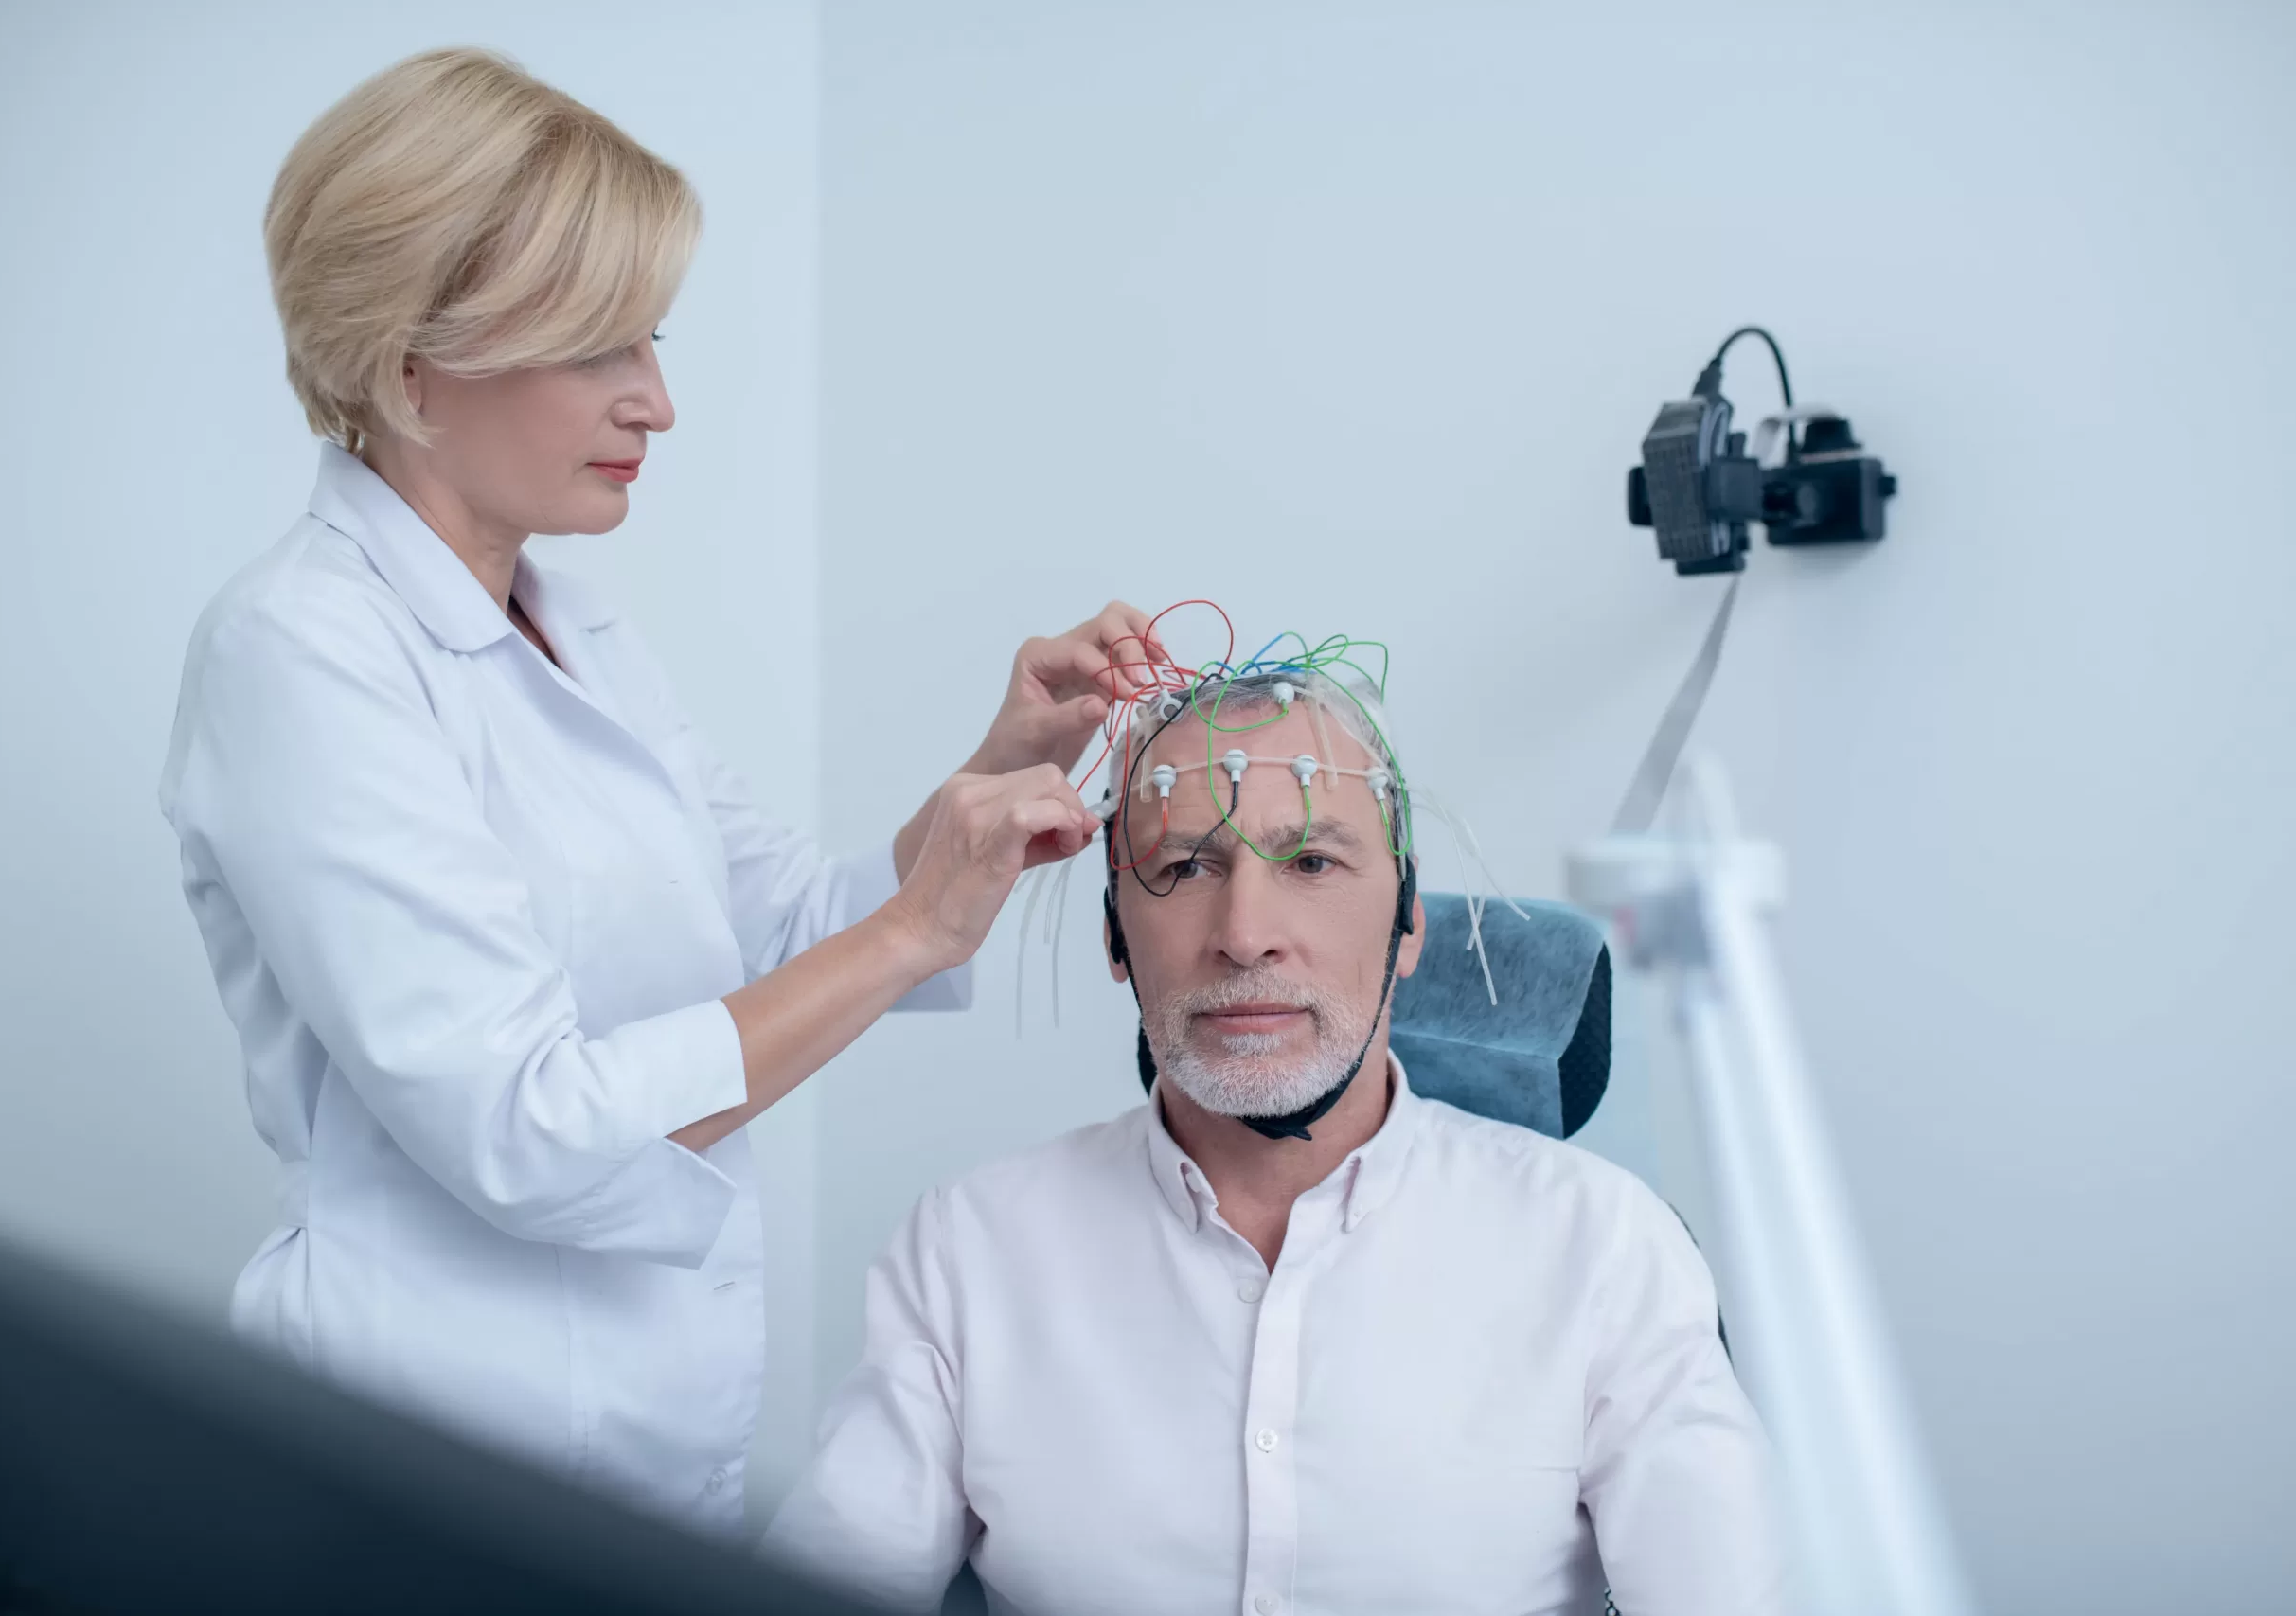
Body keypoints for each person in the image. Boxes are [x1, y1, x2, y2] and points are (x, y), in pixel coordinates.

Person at [157, 45, 1142, 1532]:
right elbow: (527, 1125)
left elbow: (779, 925)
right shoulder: (298, 652)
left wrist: (999, 769)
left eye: (654, 340)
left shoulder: (571, 620)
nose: (660, 402)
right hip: (411, 1467)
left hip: (635, 1449)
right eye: (601, 348)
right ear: (411, 361)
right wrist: (912, 933)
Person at [769, 661, 1787, 1615]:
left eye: (1310, 859)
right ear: (1115, 937)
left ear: (1410, 928)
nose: (1244, 930)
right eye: (1184, 867)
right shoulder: (969, 1252)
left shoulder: (1604, 1246)